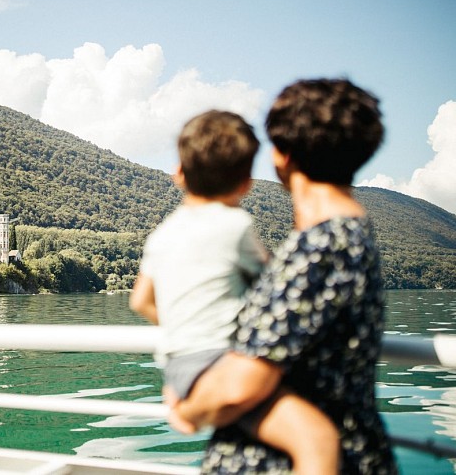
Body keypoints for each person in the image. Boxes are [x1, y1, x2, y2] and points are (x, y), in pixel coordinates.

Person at [171, 79, 398, 473]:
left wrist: (185, 408)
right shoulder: (345, 237)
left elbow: (240, 386)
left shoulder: (323, 247)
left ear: (283, 154)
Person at [130, 110, 338, 475]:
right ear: (246, 183)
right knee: (318, 440)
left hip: (180, 366)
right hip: (223, 367)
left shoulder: (162, 235)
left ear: (179, 173)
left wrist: (183, 324)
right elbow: (275, 284)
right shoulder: (236, 225)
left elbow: (141, 300)